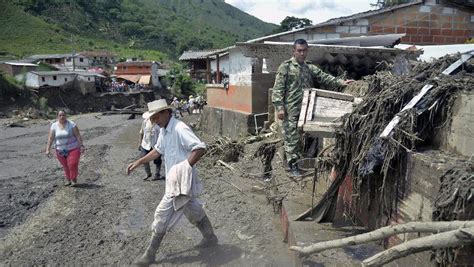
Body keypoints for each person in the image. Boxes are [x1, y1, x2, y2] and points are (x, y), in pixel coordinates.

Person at [126, 99, 218, 266]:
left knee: (161, 214)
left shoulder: (179, 128)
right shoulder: (164, 130)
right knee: (193, 209)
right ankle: (210, 237)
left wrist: (184, 168)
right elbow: (158, 150)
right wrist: (139, 162)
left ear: (166, 112)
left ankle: (150, 254)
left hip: (180, 182)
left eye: (156, 117)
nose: (154, 121)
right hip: (175, 181)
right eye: (152, 118)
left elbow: (200, 147)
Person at [272, 39, 354, 176]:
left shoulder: (309, 67)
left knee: (299, 138)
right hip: (290, 110)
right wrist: (279, 107)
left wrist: (341, 82)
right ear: (294, 51)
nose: (302, 53)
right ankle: (292, 167)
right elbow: (277, 89)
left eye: (304, 50)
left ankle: (296, 164)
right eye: (299, 50)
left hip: (305, 110)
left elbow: (324, 77)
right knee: (292, 138)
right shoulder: (285, 67)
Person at [45, 110, 85, 186]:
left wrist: (81, 146)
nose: (62, 117)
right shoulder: (54, 125)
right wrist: (47, 149)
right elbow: (51, 138)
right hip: (60, 150)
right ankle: (68, 179)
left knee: (72, 164)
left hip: (73, 148)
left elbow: (78, 136)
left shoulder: (71, 124)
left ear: (66, 116)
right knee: (65, 166)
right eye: (60, 115)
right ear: (57, 116)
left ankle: (73, 179)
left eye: (63, 115)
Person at [138, 111, 163, 181]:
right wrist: (139, 143)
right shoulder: (145, 122)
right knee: (143, 158)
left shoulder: (158, 124)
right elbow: (141, 132)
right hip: (145, 144)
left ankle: (157, 174)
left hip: (155, 145)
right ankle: (148, 173)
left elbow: (162, 135)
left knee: (157, 160)